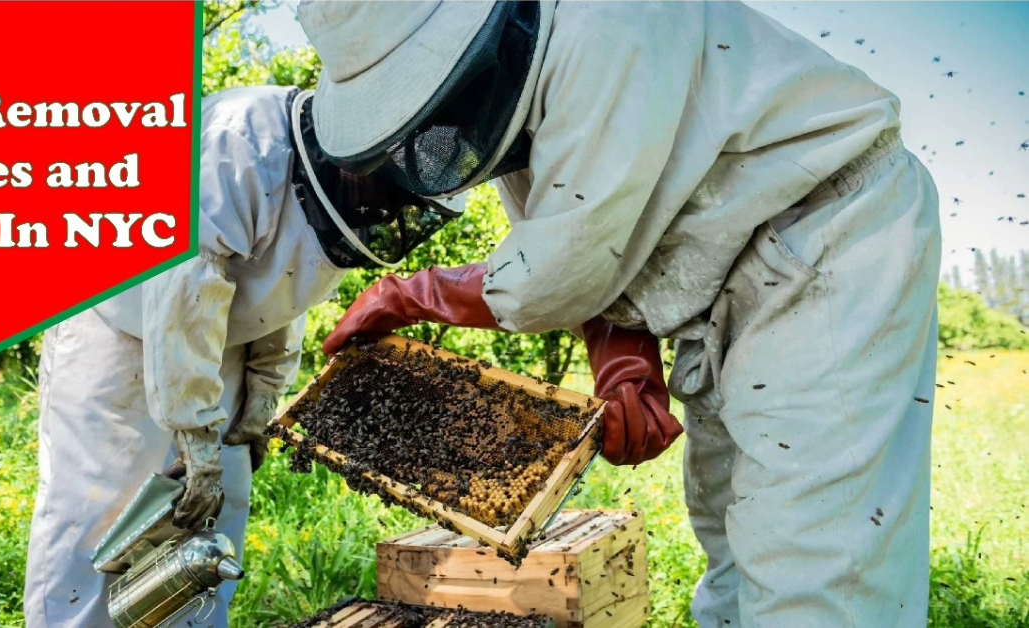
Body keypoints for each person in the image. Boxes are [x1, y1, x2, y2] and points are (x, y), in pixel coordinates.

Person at [299, 2, 941, 627]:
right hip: (721, 281)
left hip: (824, 235)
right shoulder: (520, 104)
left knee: (811, 561)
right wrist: (623, 363)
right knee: (735, 537)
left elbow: (554, 275)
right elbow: (601, 259)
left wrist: (411, 294)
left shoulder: (611, 19)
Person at [23, 85, 463, 628]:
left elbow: (277, 289)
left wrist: (263, 394)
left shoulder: (342, 196)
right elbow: (184, 281)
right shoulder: (237, 142)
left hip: (217, 342)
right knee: (101, 528)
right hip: (119, 336)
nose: (387, 207)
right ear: (359, 147)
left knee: (211, 530)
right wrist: (193, 431)